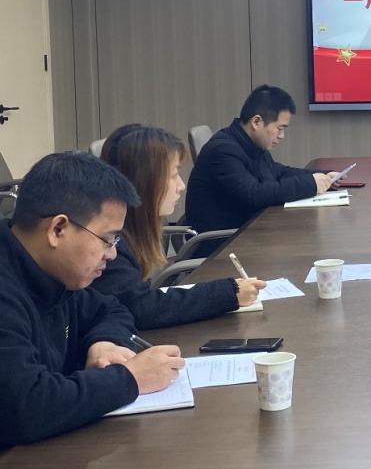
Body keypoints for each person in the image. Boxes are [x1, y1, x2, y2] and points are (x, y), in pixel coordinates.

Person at [0, 152, 185, 448]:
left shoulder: (54, 272)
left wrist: (103, 342)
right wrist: (130, 379)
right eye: (107, 239)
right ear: (58, 229)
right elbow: (26, 408)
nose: (112, 254)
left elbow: (112, 309)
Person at [92, 124, 266, 329]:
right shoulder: (111, 242)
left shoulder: (131, 231)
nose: (181, 185)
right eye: (173, 175)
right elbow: (141, 308)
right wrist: (229, 293)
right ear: (145, 180)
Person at [185, 84, 335, 233]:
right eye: (279, 128)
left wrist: (321, 176)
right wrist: (310, 184)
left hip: (249, 229)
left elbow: (276, 171)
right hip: (225, 240)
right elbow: (254, 194)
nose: (282, 136)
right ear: (256, 122)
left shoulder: (250, 143)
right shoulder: (223, 150)